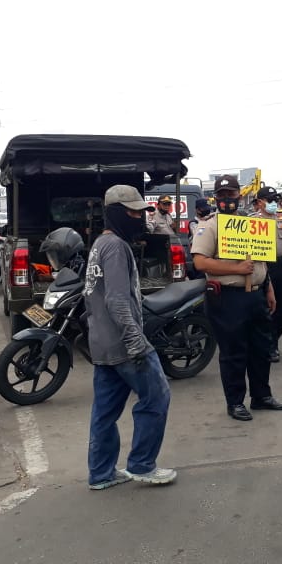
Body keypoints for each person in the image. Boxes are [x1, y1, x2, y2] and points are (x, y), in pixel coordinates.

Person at [83, 185, 176, 490]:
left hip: (102, 344)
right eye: (133, 212)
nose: (138, 217)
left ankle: (101, 473)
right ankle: (142, 464)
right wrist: (136, 341)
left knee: (104, 413)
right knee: (156, 397)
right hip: (124, 344)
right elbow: (117, 299)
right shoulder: (117, 248)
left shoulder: (99, 244)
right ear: (115, 213)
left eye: (141, 211)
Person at [191, 175, 282, 422]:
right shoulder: (209, 226)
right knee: (234, 352)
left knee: (261, 348)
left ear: (240, 195)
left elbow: (261, 261)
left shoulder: (252, 225)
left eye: (231, 195)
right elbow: (200, 261)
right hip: (228, 297)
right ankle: (235, 402)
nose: (227, 200)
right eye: (222, 196)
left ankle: (261, 396)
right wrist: (236, 269)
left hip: (255, 294)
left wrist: (268, 289)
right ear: (216, 198)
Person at [250, 186, 282, 363]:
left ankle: (272, 337)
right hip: (262, 266)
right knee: (266, 308)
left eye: (275, 200)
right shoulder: (252, 220)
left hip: (280, 267)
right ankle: (269, 345)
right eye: (270, 200)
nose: (273, 203)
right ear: (260, 202)